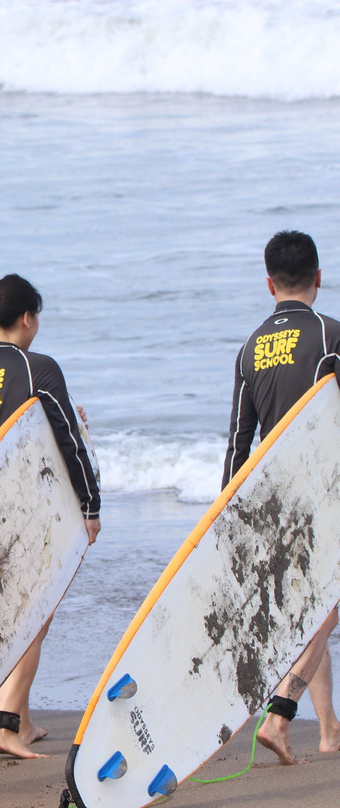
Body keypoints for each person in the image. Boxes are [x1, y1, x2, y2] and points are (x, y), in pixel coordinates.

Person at [0, 273, 101, 760]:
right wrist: (91, 505)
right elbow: (68, 440)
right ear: (27, 317)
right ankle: (4, 724)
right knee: (36, 615)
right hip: (32, 507)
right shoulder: (39, 366)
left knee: (21, 611)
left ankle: (26, 719)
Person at [223, 230, 340, 764]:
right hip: (325, 491)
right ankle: (280, 713)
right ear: (319, 277)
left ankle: (329, 733)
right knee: (325, 611)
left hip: (271, 499)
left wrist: (227, 512)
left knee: (311, 606)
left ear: (269, 283)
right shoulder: (330, 335)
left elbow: (237, 442)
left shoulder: (249, 348)